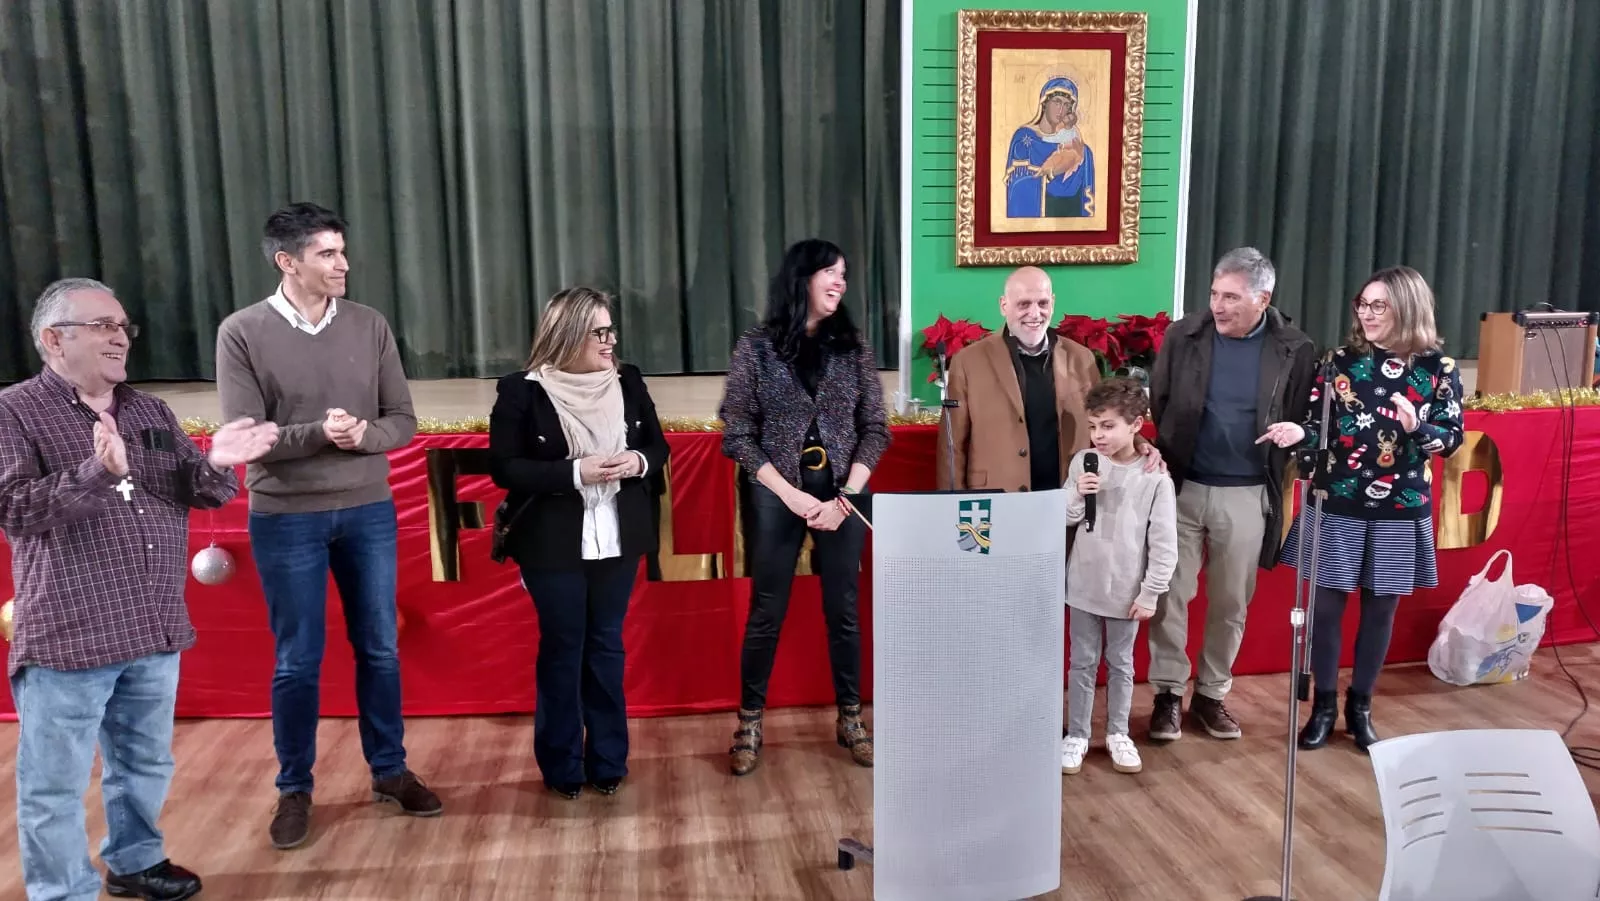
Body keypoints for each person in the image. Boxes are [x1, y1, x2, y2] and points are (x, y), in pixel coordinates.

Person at [1, 278, 278, 901]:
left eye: (122, 326)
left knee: (144, 765)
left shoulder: (148, 410)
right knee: (54, 784)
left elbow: (198, 492)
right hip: (70, 634)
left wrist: (219, 461)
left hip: (152, 626)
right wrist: (97, 471)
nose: (119, 336)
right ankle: (62, 891)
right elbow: (14, 510)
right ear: (53, 339)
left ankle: (135, 862)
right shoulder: (13, 411)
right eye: (102, 325)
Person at [215, 202, 441, 851]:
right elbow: (245, 437)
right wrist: (322, 432)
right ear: (288, 262)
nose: (343, 264)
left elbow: (403, 418)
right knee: (297, 659)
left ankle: (390, 769)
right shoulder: (242, 332)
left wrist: (368, 433)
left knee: (379, 647)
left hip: (368, 510)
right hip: (286, 518)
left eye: (342, 251)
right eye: (327, 254)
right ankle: (294, 786)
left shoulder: (369, 325)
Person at [1260, 266, 1464, 753]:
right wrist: (1298, 433)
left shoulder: (1438, 369)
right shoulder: (1340, 362)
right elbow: (1318, 425)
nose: (1367, 315)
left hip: (1400, 507)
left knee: (1380, 610)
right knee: (1326, 609)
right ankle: (1324, 707)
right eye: (1363, 304)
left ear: (1406, 308)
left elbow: (1450, 440)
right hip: (1339, 501)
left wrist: (1417, 427)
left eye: (1379, 306)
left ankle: (1361, 706)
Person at [487, 287, 668, 799]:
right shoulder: (522, 390)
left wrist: (637, 463)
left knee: (606, 646)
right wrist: (573, 472)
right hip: (552, 542)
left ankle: (608, 759)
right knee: (564, 647)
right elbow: (506, 467)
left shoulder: (628, 380)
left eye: (612, 331)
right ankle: (562, 765)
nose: (612, 342)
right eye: (601, 333)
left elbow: (657, 447)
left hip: (618, 535)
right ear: (568, 336)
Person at [718, 239, 890, 776]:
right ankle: (748, 721)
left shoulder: (855, 349)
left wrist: (846, 497)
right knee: (767, 611)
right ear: (801, 279)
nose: (840, 283)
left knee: (843, 610)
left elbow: (875, 429)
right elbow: (738, 434)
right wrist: (790, 495)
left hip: (845, 496)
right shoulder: (757, 348)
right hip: (777, 494)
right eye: (829, 274)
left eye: (843, 274)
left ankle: (851, 717)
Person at [1144, 247, 1318, 742]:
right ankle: (1167, 695)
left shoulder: (1294, 348)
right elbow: (1161, 398)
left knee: (1230, 604)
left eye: (1232, 297)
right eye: (1215, 294)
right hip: (1181, 487)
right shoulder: (1184, 335)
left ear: (1263, 298)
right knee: (1170, 597)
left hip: (1246, 493)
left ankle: (1211, 695)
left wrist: (1296, 432)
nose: (1218, 306)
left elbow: (1304, 416)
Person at [936, 265, 1160, 493]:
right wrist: (951, 503)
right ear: (1004, 305)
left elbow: (1108, 417)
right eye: (1024, 304)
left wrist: (1140, 443)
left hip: (1067, 495)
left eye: (1042, 303)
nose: (1034, 313)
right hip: (995, 498)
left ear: (1052, 303)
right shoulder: (968, 361)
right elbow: (952, 445)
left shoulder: (1082, 358)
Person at [1060, 378, 1177, 776]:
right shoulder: (1082, 463)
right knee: (1082, 663)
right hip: (1082, 584)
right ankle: (1076, 734)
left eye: (1108, 426)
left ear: (1136, 425)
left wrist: (1151, 592)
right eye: (1093, 426)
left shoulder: (1155, 477)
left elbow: (1164, 543)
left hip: (1127, 589)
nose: (1098, 435)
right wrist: (1077, 492)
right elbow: (1064, 517)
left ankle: (1117, 733)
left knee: (1121, 663)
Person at [1004, 77, 1096, 218]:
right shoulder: (1025, 139)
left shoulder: (1082, 151)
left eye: (1066, 105)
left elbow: (1086, 196)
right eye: (1057, 102)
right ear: (1045, 103)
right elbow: (1017, 183)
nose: (1061, 109)